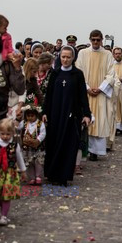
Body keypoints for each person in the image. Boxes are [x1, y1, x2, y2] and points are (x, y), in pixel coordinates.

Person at [43, 46, 91, 185]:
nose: (65, 59)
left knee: (68, 144)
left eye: (68, 57)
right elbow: (49, 95)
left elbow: (83, 96)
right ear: (60, 57)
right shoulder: (55, 73)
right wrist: (45, 112)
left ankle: (64, 176)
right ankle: (52, 174)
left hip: (71, 115)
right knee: (54, 143)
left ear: (73, 58)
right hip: (55, 114)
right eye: (63, 57)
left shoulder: (78, 74)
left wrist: (86, 114)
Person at [75, 31, 117, 161]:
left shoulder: (107, 54)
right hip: (85, 93)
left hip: (100, 94)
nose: (95, 42)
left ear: (102, 40)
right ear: (89, 40)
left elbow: (111, 74)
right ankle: (82, 150)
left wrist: (100, 88)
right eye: (93, 40)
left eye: (98, 40)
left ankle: (95, 151)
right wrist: (86, 88)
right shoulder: (83, 53)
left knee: (99, 120)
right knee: (84, 120)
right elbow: (78, 72)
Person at [18, 105, 46, 186]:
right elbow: (17, 128)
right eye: (28, 116)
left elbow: (43, 133)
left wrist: (38, 140)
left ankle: (38, 176)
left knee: (38, 162)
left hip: (38, 147)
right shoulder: (24, 123)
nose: (30, 118)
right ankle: (31, 177)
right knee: (29, 162)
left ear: (36, 116)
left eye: (32, 116)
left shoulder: (40, 124)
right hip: (27, 148)